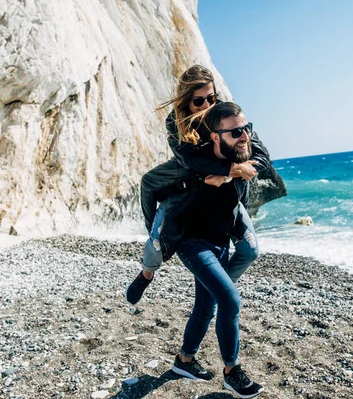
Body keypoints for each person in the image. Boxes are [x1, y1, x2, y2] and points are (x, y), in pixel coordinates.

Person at [125, 65, 270, 305]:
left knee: (250, 251)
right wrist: (231, 169)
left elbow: (261, 154)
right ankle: (149, 264)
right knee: (149, 183)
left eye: (211, 98)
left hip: (224, 185)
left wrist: (234, 173)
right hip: (188, 169)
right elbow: (189, 160)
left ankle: (221, 287)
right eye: (199, 101)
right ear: (186, 101)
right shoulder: (176, 120)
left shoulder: (223, 113)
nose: (206, 105)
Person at [170, 101, 264, 398]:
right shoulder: (198, 164)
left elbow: (259, 159)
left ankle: (184, 361)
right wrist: (225, 172)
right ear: (215, 136)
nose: (244, 136)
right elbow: (198, 169)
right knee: (230, 300)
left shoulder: (243, 157)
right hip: (192, 244)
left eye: (246, 128)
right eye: (235, 132)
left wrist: (234, 172)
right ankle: (231, 371)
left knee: (206, 306)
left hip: (221, 244)